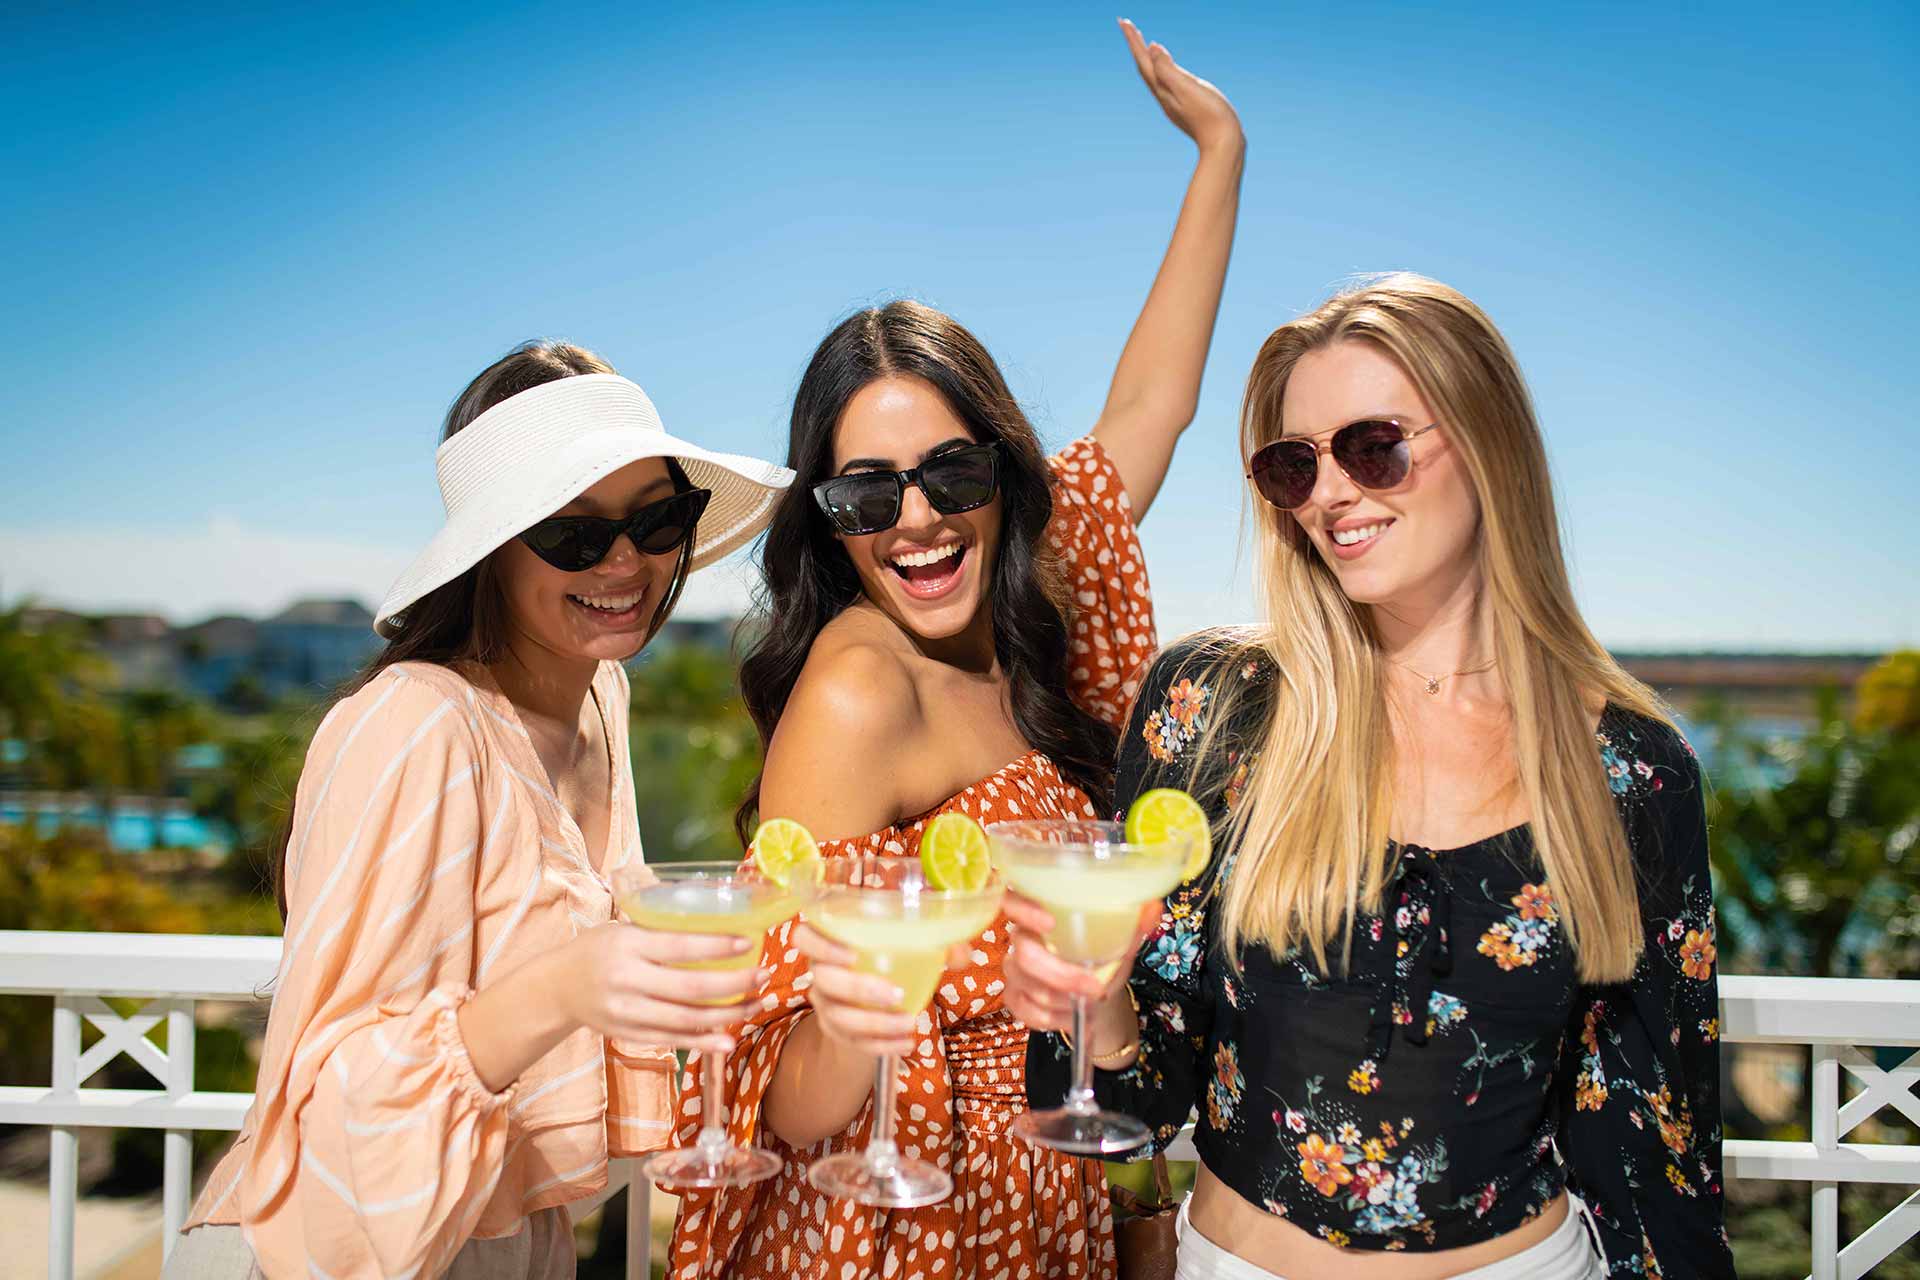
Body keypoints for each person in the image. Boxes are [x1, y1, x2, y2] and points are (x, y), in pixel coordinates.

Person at [666, 20, 1244, 1280]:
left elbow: (1153, 406)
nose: (916, 518)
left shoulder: (1040, 605)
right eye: (866, 493)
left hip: (1048, 1182)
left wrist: (1219, 149)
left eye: (949, 472)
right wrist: (859, 1015)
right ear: (828, 519)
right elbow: (787, 1099)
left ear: (1001, 474)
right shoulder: (859, 689)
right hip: (902, 1221)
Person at [1010, 274, 1734, 1279]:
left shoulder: (1632, 769)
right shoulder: (1214, 708)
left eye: (1372, 445)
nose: (1332, 493)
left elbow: (1658, 1138)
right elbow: (1133, 1111)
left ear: (1489, 443)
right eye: (1293, 464)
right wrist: (1101, 1002)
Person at [165, 342, 793, 1278]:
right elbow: (330, 1106)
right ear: (492, 550)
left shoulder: (601, 696)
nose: (626, 560)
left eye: (660, 520)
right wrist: (559, 988)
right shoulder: (414, 727)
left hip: (499, 1235)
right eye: (572, 534)